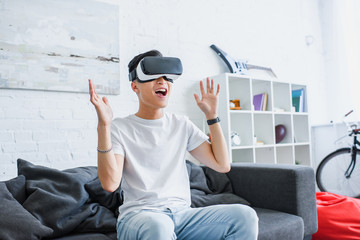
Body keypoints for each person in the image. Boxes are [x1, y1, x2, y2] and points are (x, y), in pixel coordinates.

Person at [89, 49, 258, 240]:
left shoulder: (181, 124)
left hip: (182, 215)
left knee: (244, 216)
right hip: (140, 217)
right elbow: (110, 183)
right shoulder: (119, 128)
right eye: (153, 76)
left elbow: (222, 165)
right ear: (135, 86)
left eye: (167, 77)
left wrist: (212, 117)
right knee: (159, 225)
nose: (162, 82)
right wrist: (103, 126)